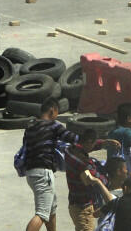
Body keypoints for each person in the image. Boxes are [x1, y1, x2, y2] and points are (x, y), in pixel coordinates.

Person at [22, 97, 80, 231]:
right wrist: (97, 141)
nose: (57, 116)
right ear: (52, 110)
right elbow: (74, 139)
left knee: (51, 209)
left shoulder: (30, 126)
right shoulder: (53, 125)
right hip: (43, 173)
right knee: (42, 214)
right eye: (57, 112)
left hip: (31, 173)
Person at [65, 129, 120, 231]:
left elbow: (88, 146)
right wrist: (109, 180)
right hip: (83, 208)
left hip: (74, 203)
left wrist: (104, 143)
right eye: (93, 143)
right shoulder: (84, 163)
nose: (94, 146)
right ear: (89, 142)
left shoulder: (69, 150)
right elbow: (98, 179)